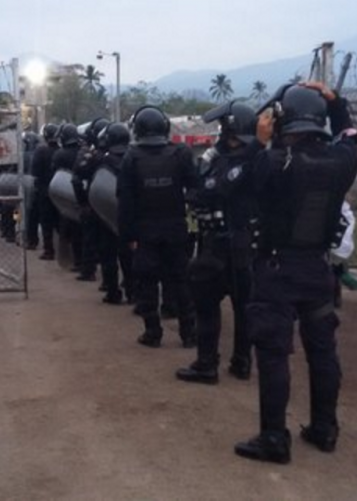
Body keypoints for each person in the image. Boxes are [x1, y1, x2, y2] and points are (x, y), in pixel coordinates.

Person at [234, 82, 357, 465]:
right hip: (318, 271)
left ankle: (274, 438)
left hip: (276, 271)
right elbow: (349, 134)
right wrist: (337, 103)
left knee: (273, 354)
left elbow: (241, 185)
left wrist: (258, 140)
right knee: (323, 351)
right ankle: (325, 428)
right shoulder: (342, 161)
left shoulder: (272, 162)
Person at [177, 100, 263, 385]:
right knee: (242, 307)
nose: (221, 135)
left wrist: (199, 192)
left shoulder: (240, 163)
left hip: (223, 244)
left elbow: (212, 190)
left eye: (225, 130)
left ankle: (208, 365)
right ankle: (241, 361)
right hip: (238, 244)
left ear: (233, 132)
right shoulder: (249, 159)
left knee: (208, 305)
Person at [118, 106, 198, 348]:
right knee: (181, 281)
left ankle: (153, 332)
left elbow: (125, 201)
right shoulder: (181, 153)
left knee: (147, 283)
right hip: (176, 228)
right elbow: (196, 188)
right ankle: (189, 334)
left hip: (144, 232)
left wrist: (128, 235)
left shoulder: (131, 158)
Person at [95, 122, 134, 305]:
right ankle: (133, 293)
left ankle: (113, 292)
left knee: (108, 255)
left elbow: (88, 184)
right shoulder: (134, 157)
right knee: (129, 255)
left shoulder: (101, 160)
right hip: (129, 215)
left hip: (105, 214)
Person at [72, 117, 110, 282]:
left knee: (90, 238)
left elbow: (77, 179)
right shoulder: (127, 156)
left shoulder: (92, 155)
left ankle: (90, 271)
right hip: (114, 205)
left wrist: (83, 202)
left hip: (94, 202)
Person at [51, 123, 84, 270]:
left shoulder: (60, 154)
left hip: (65, 195)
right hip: (84, 195)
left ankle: (75, 261)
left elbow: (55, 173)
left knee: (69, 230)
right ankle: (87, 262)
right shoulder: (83, 152)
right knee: (84, 231)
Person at [32, 124, 60, 260]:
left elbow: (34, 172)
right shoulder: (60, 151)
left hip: (44, 191)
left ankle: (49, 250)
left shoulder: (40, 151)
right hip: (60, 190)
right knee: (61, 221)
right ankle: (64, 250)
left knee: (46, 222)